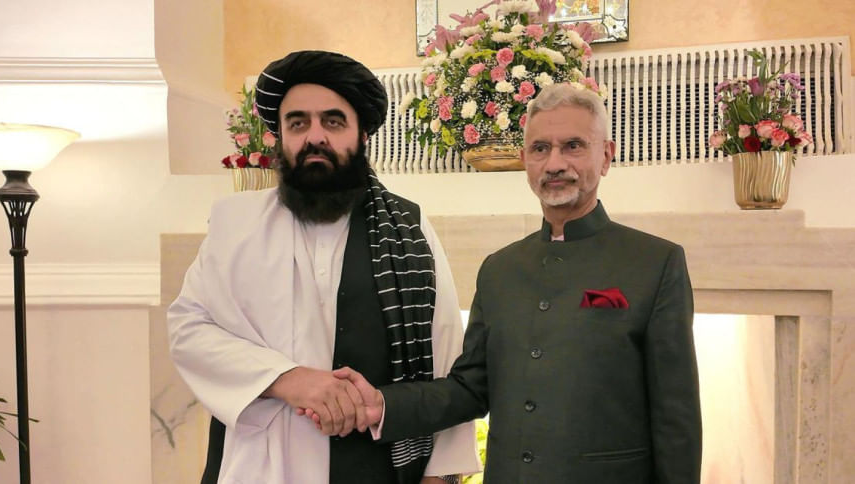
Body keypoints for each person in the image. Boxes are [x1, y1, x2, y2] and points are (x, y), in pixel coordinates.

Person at [322, 82, 703, 483]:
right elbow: (471, 388)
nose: (554, 163)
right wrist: (382, 404)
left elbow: (676, 417)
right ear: (525, 161)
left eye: (573, 146)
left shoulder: (655, 262)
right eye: (540, 149)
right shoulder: (499, 269)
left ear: (606, 156)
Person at [167, 50, 479, 484]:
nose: (315, 136)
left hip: (372, 468)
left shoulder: (408, 226)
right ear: (279, 137)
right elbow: (189, 328)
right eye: (298, 123)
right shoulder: (234, 225)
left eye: (333, 122)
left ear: (362, 135)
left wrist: (439, 475)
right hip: (255, 465)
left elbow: (444, 354)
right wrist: (287, 379)